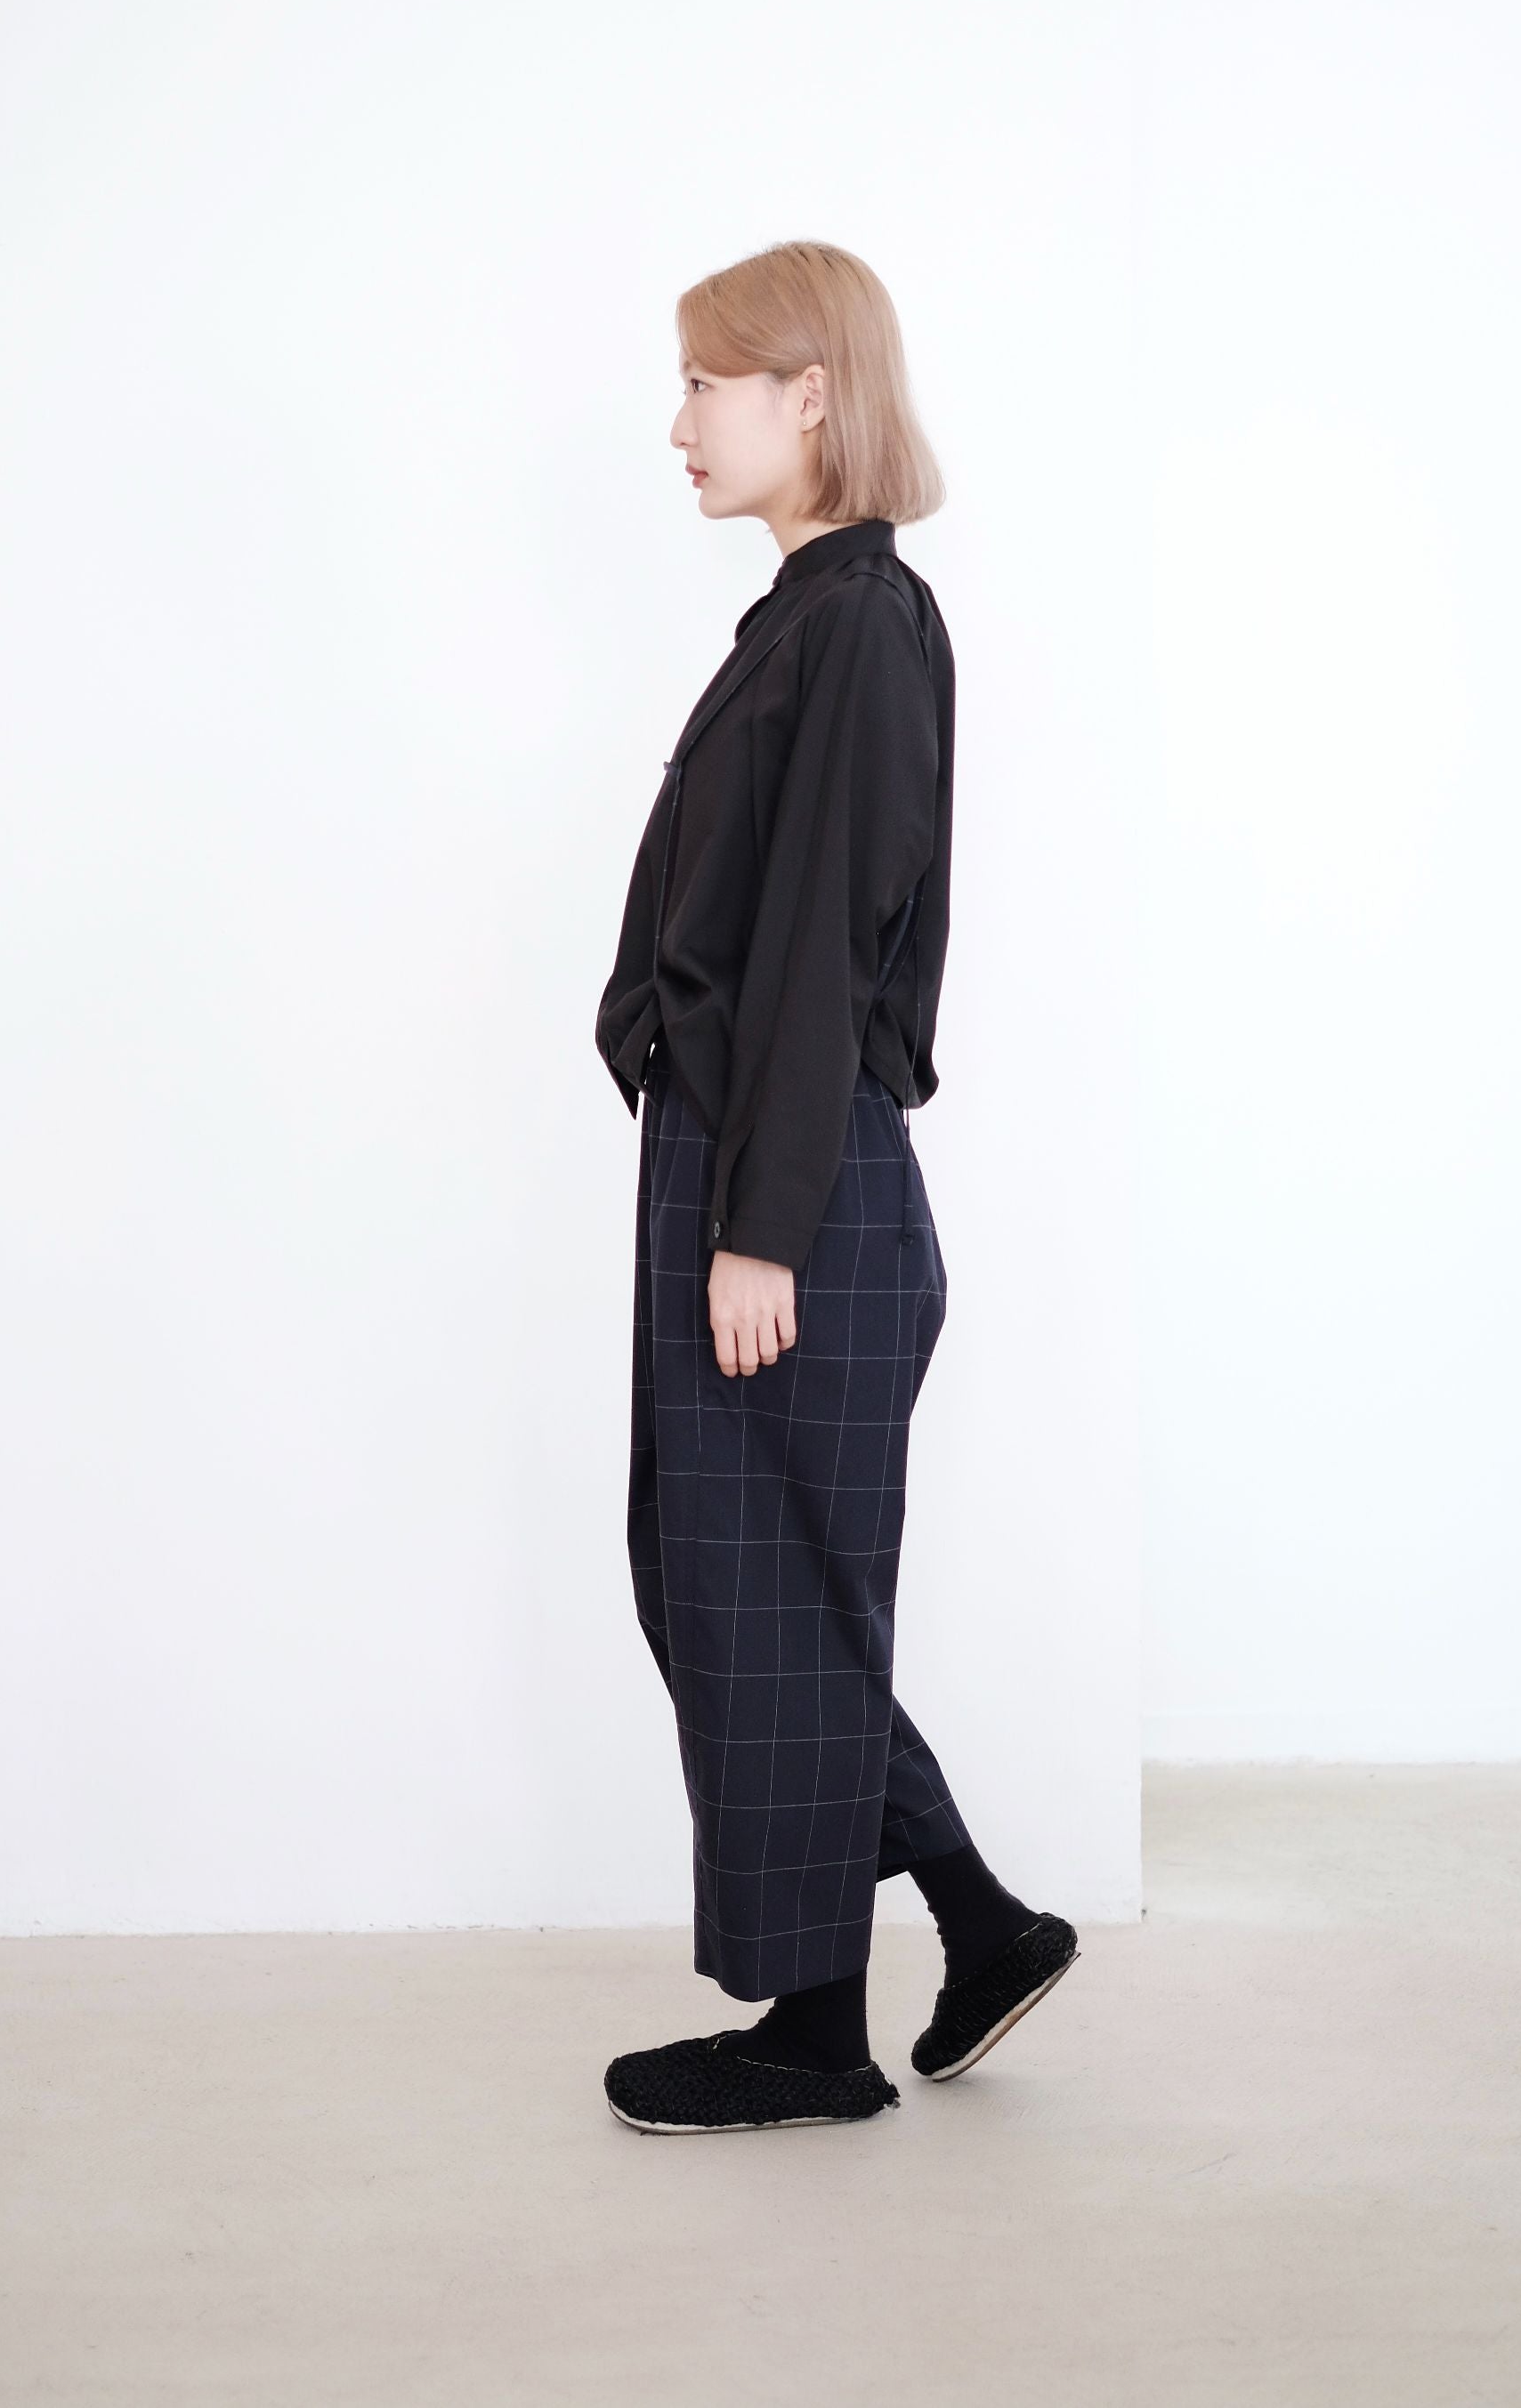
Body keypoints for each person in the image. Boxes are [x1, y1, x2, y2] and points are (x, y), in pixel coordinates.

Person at [594, 240, 1077, 2136]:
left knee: (762, 1599)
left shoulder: (866, 622)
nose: (679, 422)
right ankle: (974, 1924)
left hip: (794, 1183)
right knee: (731, 1591)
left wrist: (761, 1226)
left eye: (707, 382)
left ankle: (816, 2036)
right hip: (747, 1162)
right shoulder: (808, 617)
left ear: (812, 394)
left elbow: (819, 946)